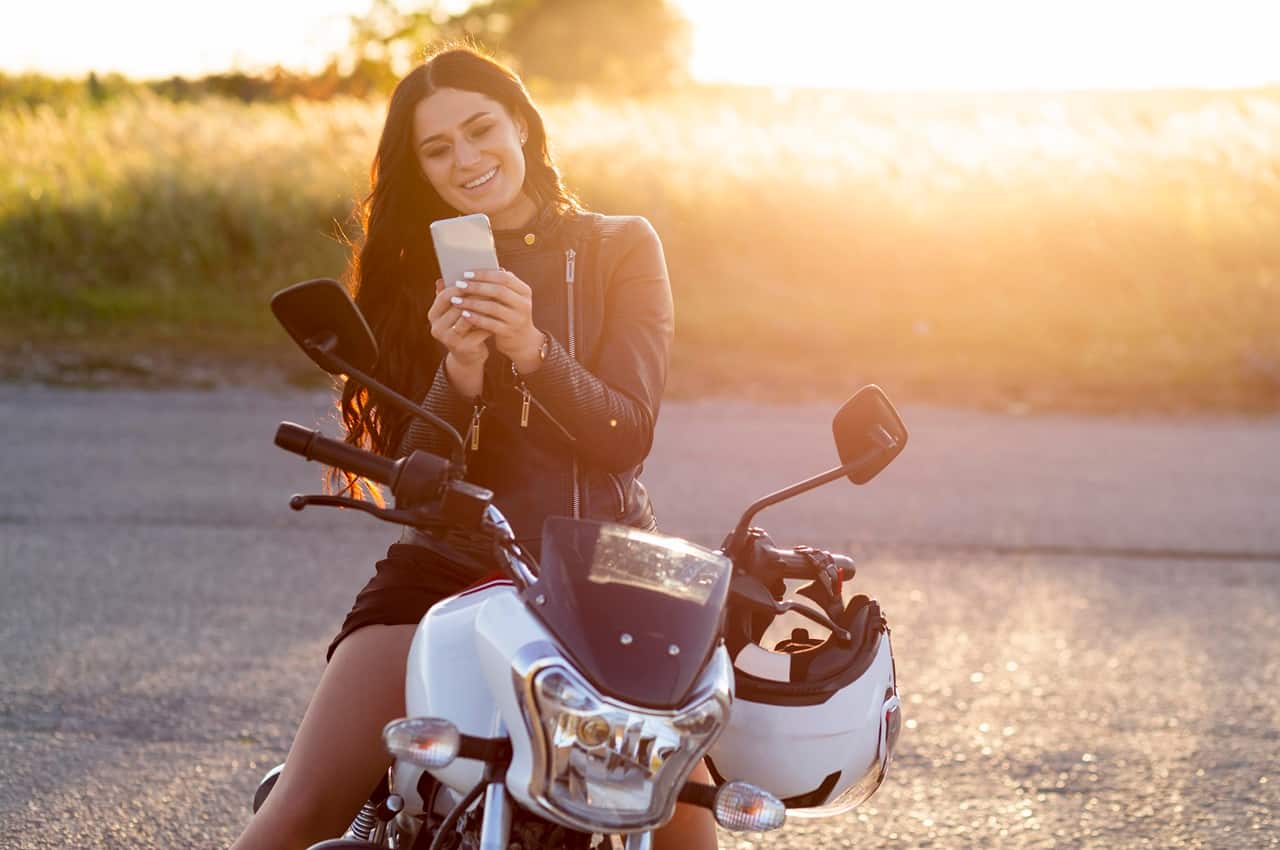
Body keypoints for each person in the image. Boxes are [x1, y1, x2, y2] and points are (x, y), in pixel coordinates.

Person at [230, 46, 717, 850]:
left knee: (677, 812)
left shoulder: (621, 246)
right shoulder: (415, 270)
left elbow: (625, 433)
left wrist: (531, 348)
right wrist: (457, 370)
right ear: (420, 167)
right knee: (304, 806)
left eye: (481, 128)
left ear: (521, 123)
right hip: (451, 559)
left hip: (609, 561)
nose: (467, 159)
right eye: (438, 148)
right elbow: (414, 476)